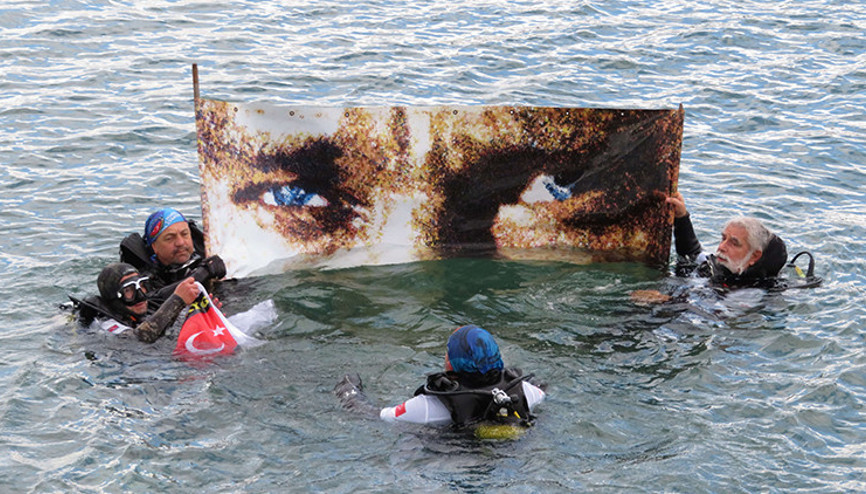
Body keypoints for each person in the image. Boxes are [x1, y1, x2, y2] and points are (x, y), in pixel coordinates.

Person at [334, 325, 545, 429]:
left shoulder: (427, 406)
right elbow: (542, 388)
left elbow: (371, 414)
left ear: (451, 362)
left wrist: (349, 388)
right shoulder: (528, 392)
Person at [665, 191, 788, 288]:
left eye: (734, 243)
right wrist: (682, 217)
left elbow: (708, 316)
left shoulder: (748, 295)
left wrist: (664, 301)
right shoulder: (723, 265)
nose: (722, 247)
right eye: (723, 238)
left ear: (754, 256)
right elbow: (693, 253)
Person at [119, 207, 226, 309]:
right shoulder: (143, 280)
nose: (180, 242)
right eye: (170, 238)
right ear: (154, 246)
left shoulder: (207, 257)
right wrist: (202, 274)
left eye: (185, 234)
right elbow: (152, 302)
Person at [71, 262, 199, 343]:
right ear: (114, 298)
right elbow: (140, 338)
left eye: (142, 286)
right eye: (128, 290)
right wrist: (177, 301)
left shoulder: (140, 310)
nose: (140, 296)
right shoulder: (105, 324)